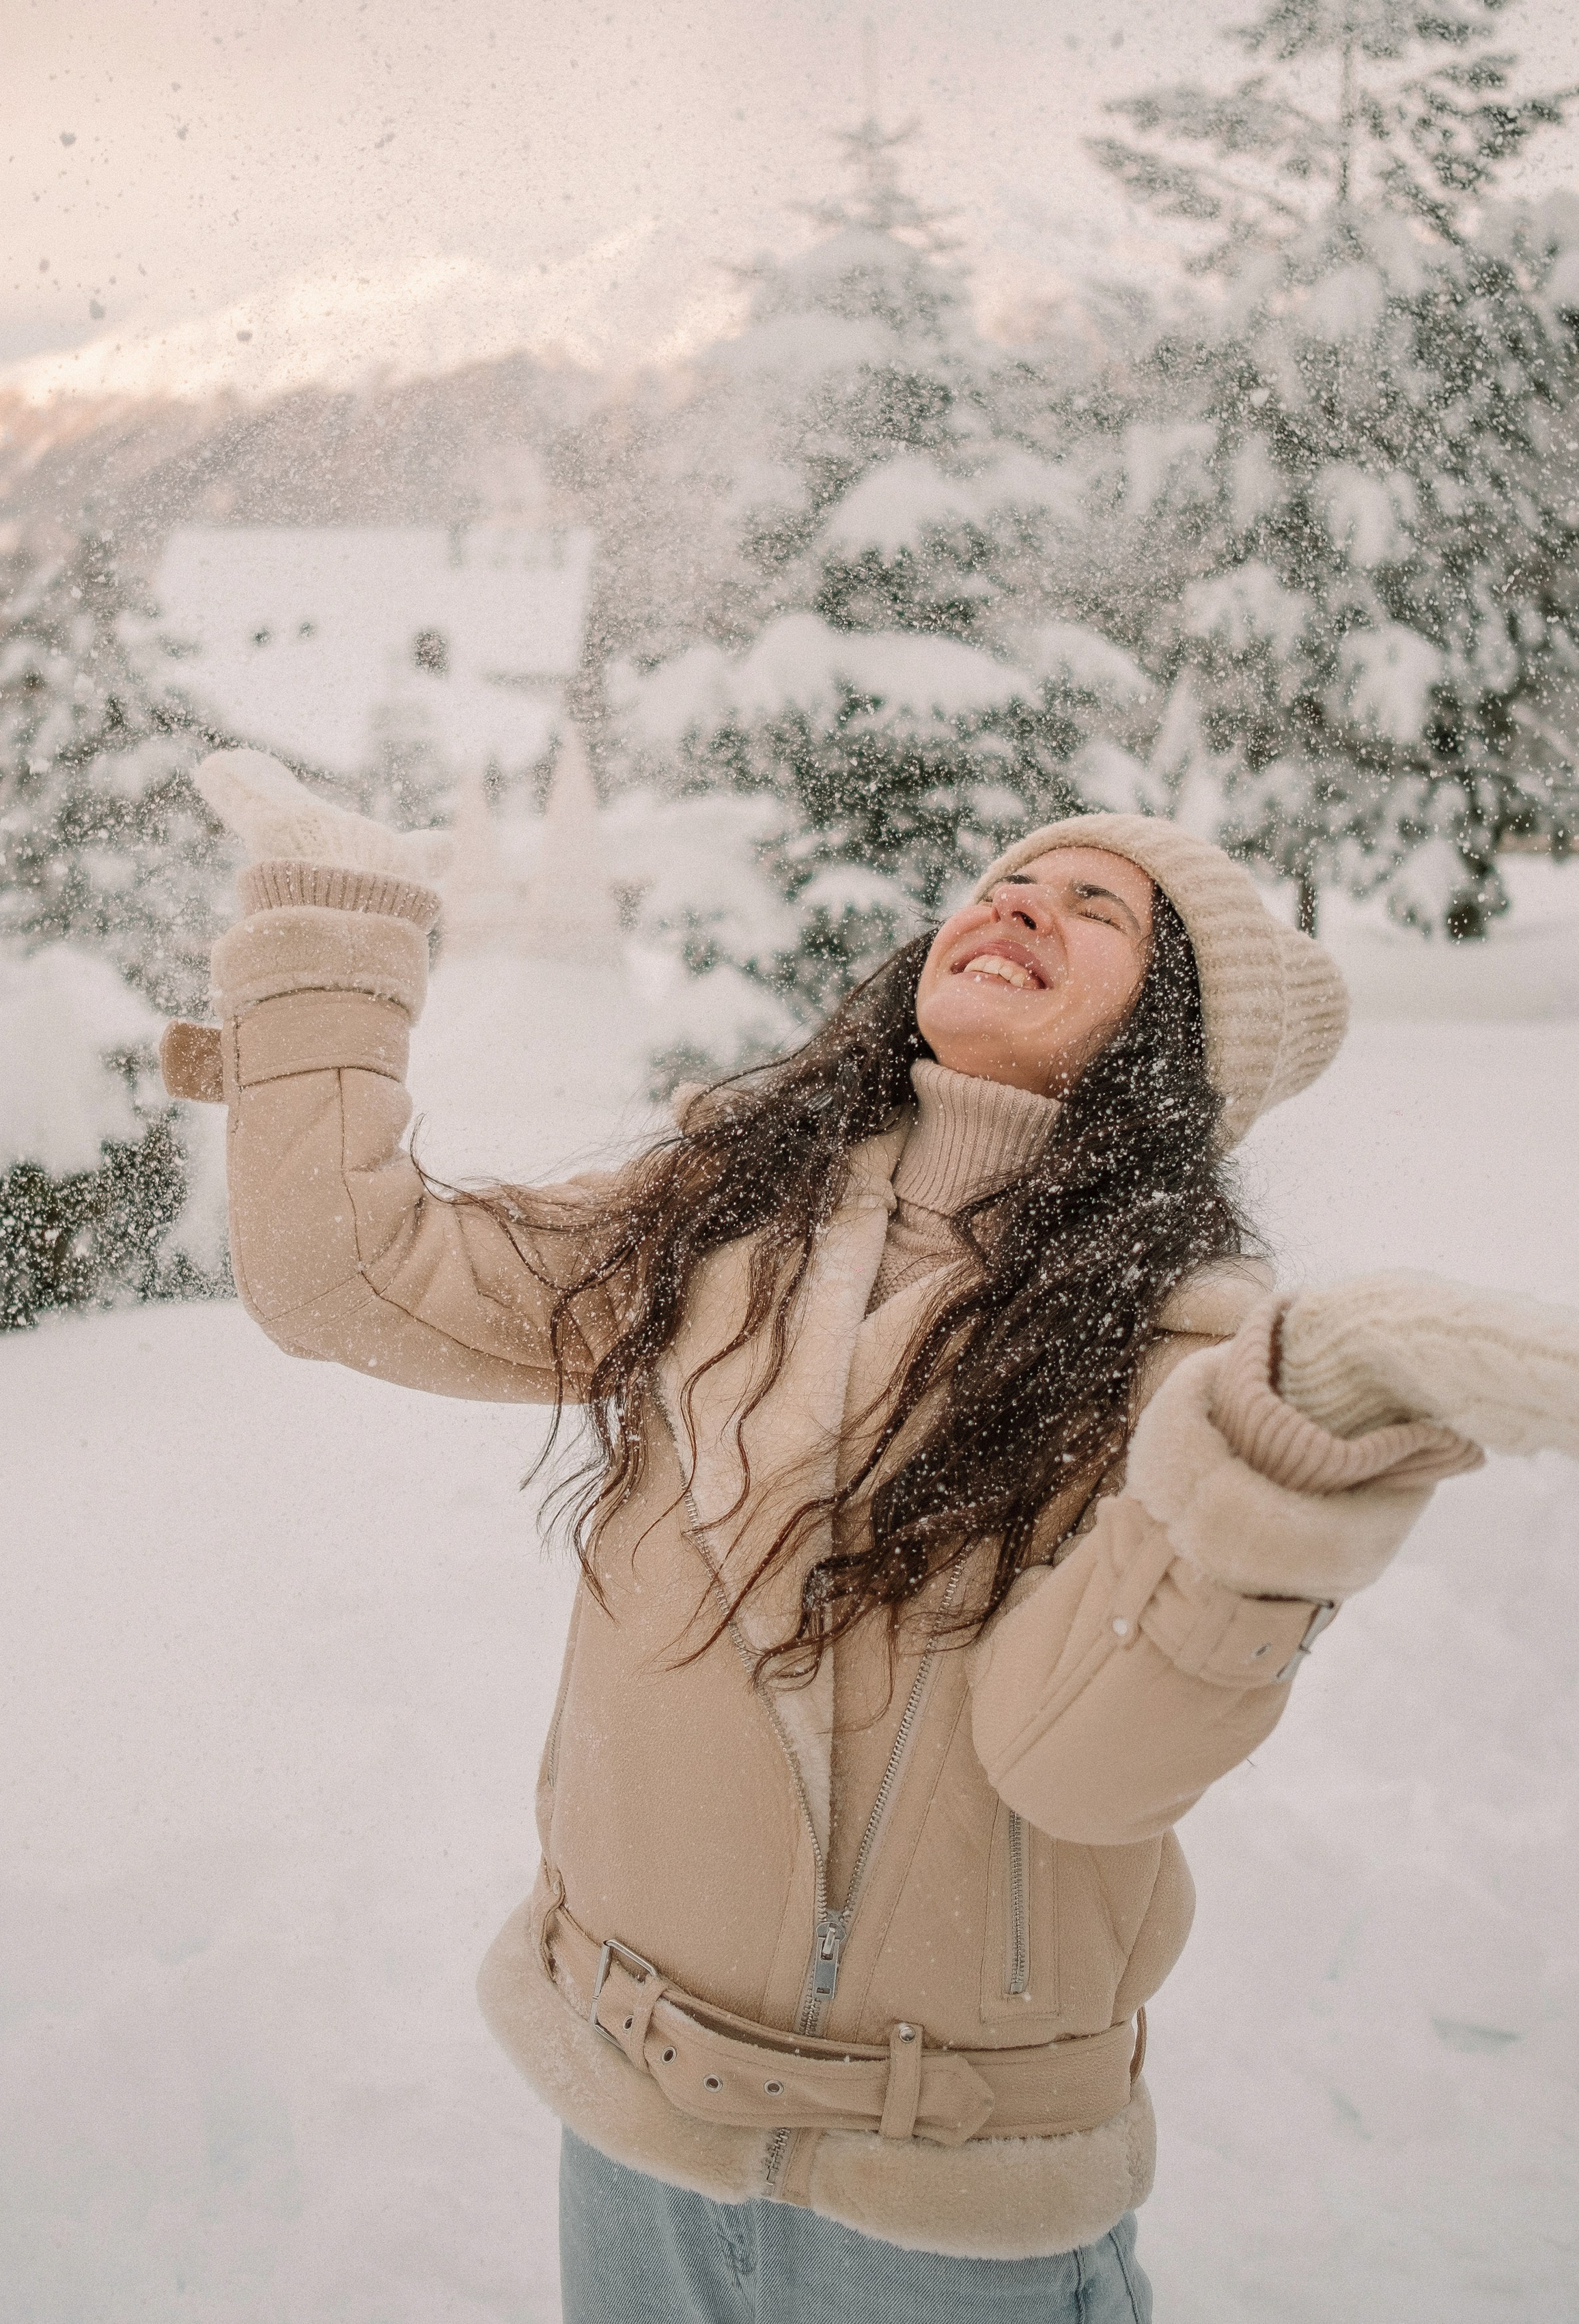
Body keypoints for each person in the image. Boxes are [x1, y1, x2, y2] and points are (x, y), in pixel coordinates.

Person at [161, 751, 1579, 2324]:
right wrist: (333, 928)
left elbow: (1082, 1769)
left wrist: (1276, 1453)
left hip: (936, 2220)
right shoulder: (723, 1215)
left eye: (1094, 909)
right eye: (1005, 883)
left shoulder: (1181, 1350)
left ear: (1171, 1036)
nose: (1020, 907)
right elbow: (350, 1275)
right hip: (628, 2129)